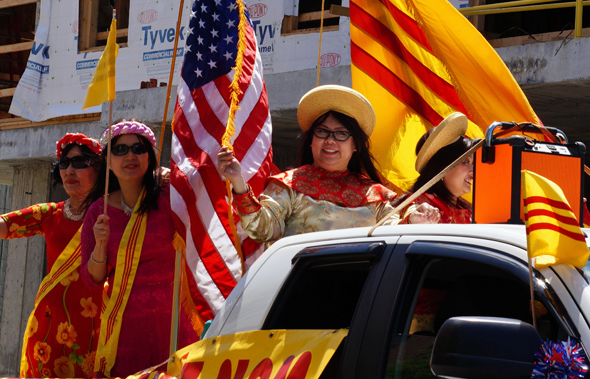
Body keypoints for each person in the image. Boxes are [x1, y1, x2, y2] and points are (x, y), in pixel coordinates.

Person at [218, 84, 437, 243]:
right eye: (322, 132)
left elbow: (393, 233)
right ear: (311, 141)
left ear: (355, 146)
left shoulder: (377, 195)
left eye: (341, 134)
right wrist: (238, 182)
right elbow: (262, 229)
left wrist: (414, 219)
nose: (330, 140)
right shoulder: (287, 185)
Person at [80, 120, 198, 377]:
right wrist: (100, 246)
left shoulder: (171, 195)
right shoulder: (97, 212)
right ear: (107, 161)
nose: (130, 155)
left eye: (138, 148)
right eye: (120, 150)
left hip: (175, 321)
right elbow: (92, 280)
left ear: (150, 156)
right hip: (125, 326)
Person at [0, 133, 102, 378]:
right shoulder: (50, 213)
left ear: (99, 169)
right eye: (64, 164)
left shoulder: (112, 216)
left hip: (96, 327)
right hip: (48, 328)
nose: (69, 170)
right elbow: (5, 224)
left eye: (79, 163)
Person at [396, 112, 476, 225]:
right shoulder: (420, 208)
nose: (473, 172)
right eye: (466, 162)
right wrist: (412, 220)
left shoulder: (467, 212)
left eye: (473, 163)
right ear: (443, 167)